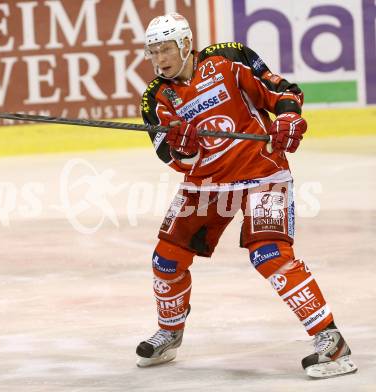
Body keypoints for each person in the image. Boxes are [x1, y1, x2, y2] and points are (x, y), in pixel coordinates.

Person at [136, 12, 357, 379]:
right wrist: (184, 146)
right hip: (206, 184)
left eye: (165, 49)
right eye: (152, 52)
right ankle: (170, 332)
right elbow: (172, 157)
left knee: (269, 254)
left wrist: (287, 119)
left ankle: (331, 341)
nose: (159, 59)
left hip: (262, 172)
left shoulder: (229, 58)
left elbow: (282, 91)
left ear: (186, 44)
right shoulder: (156, 97)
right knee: (166, 260)